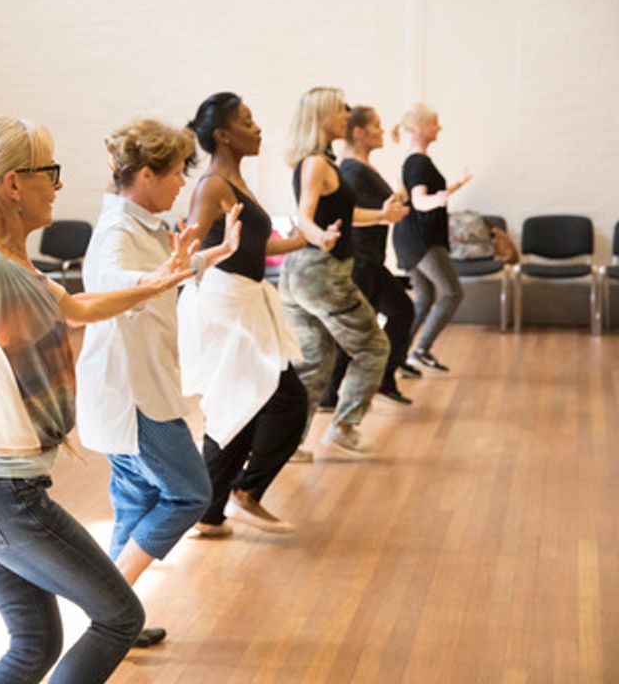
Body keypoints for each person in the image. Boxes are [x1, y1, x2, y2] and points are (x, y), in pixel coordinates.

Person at [0, 115, 196, 683]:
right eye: (48, 173)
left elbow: (80, 308)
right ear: (11, 186)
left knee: (34, 644)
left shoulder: (20, 267)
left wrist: (161, 278)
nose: (57, 185)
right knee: (120, 616)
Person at [76, 118, 240, 646]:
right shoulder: (116, 230)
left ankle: (113, 615)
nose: (180, 186)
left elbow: (163, 270)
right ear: (145, 174)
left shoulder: (140, 223)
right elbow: (109, 285)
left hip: (141, 383)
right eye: (174, 174)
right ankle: (112, 605)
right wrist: (166, 274)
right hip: (132, 393)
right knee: (191, 494)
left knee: (136, 502)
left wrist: (214, 254)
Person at [175, 92, 308, 536]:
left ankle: (209, 513)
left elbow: (252, 244)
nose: (258, 128)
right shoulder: (213, 185)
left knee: (245, 402)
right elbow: (190, 248)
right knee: (283, 400)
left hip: (245, 301)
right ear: (223, 135)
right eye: (247, 122)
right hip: (226, 304)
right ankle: (244, 492)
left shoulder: (238, 184)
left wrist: (301, 242)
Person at [279, 87, 406, 458]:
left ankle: (285, 446)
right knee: (374, 346)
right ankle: (344, 425)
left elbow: (339, 215)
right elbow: (305, 214)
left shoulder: (319, 162)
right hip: (320, 272)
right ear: (321, 117)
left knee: (316, 360)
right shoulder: (316, 163)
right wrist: (320, 236)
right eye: (340, 110)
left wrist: (383, 215)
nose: (347, 116)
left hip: (303, 273)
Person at [319, 106, 416, 409]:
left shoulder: (362, 168)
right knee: (360, 329)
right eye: (376, 125)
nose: (382, 130)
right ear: (359, 133)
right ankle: (330, 394)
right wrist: (383, 215)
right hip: (359, 260)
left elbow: (375, 206)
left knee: (400, 311)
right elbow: (346, 215)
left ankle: (382, 380)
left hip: (371, 259)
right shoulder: (350, 170)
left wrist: (395, 202)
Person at [391, 103, 472, 371]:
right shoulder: (418, 161)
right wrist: (437, 200)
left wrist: (457, 185)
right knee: (451, 293)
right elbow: (419, 201)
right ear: (418, 128)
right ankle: (420, 350)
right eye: (434, 123)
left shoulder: (416, 161)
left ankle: (398, 357)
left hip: (412, 238)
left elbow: (425, 196)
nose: (439, 128)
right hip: (421, 241)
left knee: (425, 297)